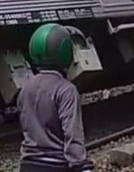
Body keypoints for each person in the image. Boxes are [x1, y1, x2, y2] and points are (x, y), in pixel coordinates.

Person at [18, 23, 93, 172]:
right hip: (56, 166)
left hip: (28, 165)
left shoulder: (25, 88)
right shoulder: (66, 90)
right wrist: (82, 166)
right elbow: (72, 132)